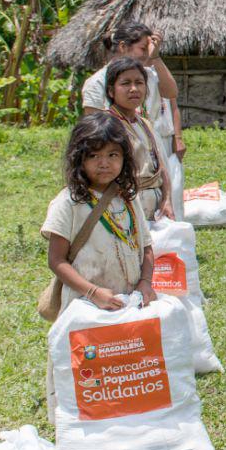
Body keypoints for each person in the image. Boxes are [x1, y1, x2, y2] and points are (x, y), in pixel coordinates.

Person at [42, 112, 157, 421]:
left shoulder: (128, 200)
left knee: (124, 371)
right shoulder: (69, 203)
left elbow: (146, 246)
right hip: (85, 303)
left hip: (126, 301)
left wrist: (146, 283)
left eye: (112, 155)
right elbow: (56, 260)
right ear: (79, 158)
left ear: (125, 159)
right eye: (93, 156)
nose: (104, 163)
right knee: (86, 373)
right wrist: (92, 292)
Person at [83, 22, 186, 217]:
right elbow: (94, 135)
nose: (134, 88)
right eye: (143, 48)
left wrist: (156, 57)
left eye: (138, 84)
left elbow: (171, 93)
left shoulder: (148, 75)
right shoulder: (97, 83)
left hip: (151, 146)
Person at [103, 57, 174, 221]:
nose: (134, 89)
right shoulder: (107, 125)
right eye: (125, 83)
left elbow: (161, 167)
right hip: (122, 204)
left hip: (153, 204)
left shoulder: (144, 123)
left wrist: (167, 199)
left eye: (139, 82)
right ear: (111, 91)